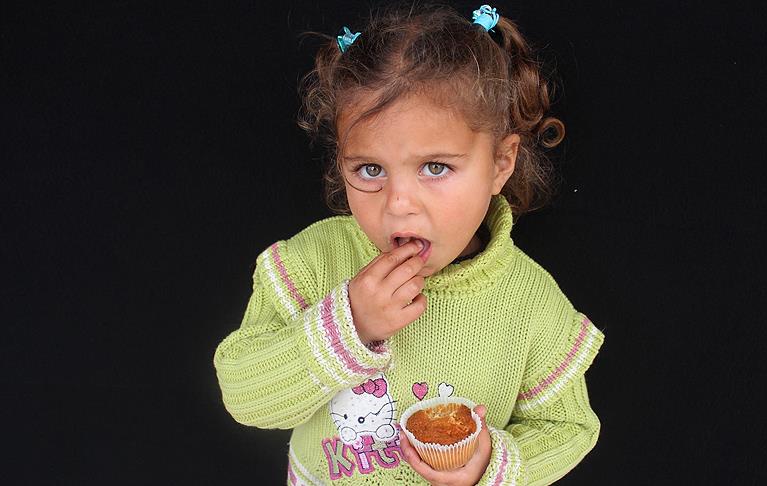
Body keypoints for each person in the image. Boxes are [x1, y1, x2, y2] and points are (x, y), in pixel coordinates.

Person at [213, 3, 605, 485]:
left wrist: (492, 465)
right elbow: (245, 396)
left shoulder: (532, 303)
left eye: (435, 168)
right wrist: (348, 325)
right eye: (370, 170)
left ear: (500, 164)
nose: (398, 204)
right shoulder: (311, 264)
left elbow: (568, 428)